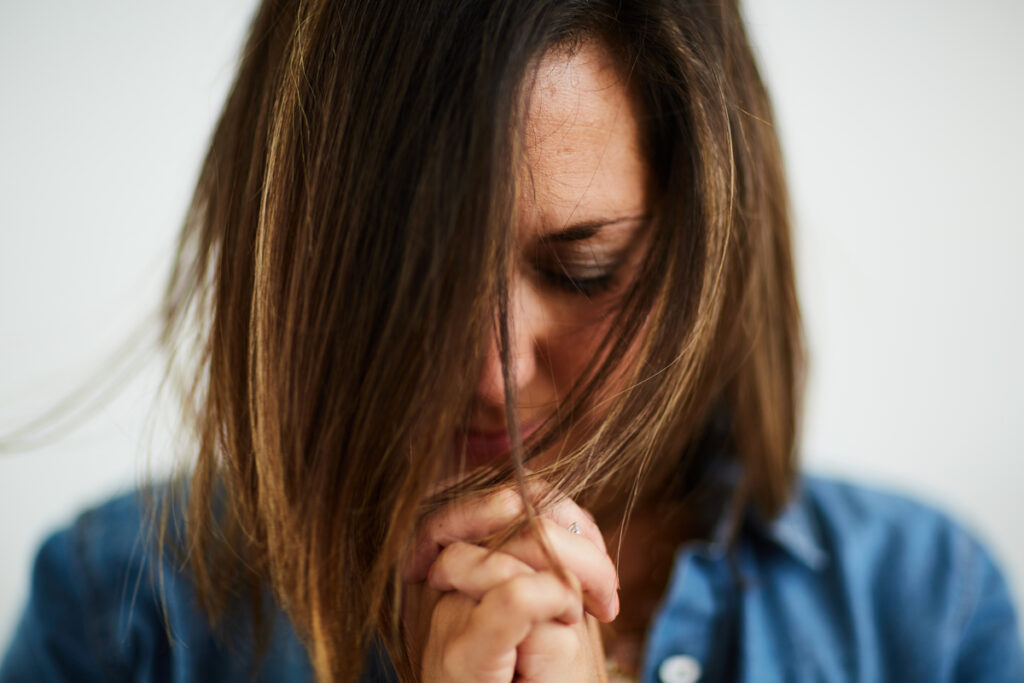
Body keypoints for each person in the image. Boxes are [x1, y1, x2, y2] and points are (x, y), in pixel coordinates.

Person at [2, 1, 1022, 681]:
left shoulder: (922, 607)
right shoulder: (119, 608)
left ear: (708, 247)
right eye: (411, 279)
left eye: (584, 269)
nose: (487, 373)